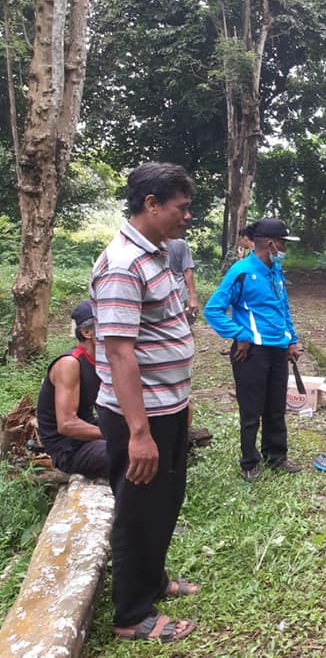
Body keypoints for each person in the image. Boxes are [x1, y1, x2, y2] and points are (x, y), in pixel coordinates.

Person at [90, 162, 198, 643]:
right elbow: (119, 352)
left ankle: (154, 580)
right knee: (138, 511)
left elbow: (163, 332)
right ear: (151, 205)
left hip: (167, 408)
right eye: (182, 207)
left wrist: (182, 399)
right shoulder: (122, 264)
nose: (187, 217)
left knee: (164, 502)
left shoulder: (157, 255)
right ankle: (132, 615)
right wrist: (138, 433)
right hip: (140, 416)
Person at [204, 218, 303, 482]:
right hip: (251, 353)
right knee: (251, 410)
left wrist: (291, 339)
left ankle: (276, 456)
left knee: (275, 407)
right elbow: (213, 309)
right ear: (270, 244)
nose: (285, 249)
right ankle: (249, 462)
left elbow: (283, 308)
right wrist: (240, 335)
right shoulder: (242, 271)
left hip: (278, 350)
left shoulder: (275, 271)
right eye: (283, 243)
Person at [35, 300, 108, 479]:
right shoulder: (70, 364)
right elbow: (67, 424)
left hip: (87, 431)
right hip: (67, 447)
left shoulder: (103, 359)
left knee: (162, 435)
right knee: (130, 453)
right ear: (86, 332)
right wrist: (113, 435)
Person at [167, 238, 198, 324]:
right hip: (178, 292)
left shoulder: (147, 241)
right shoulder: (180, 244)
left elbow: (187, 271)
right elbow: (187, 271)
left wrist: (193, 297)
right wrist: (193, 297)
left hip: (176, 293)